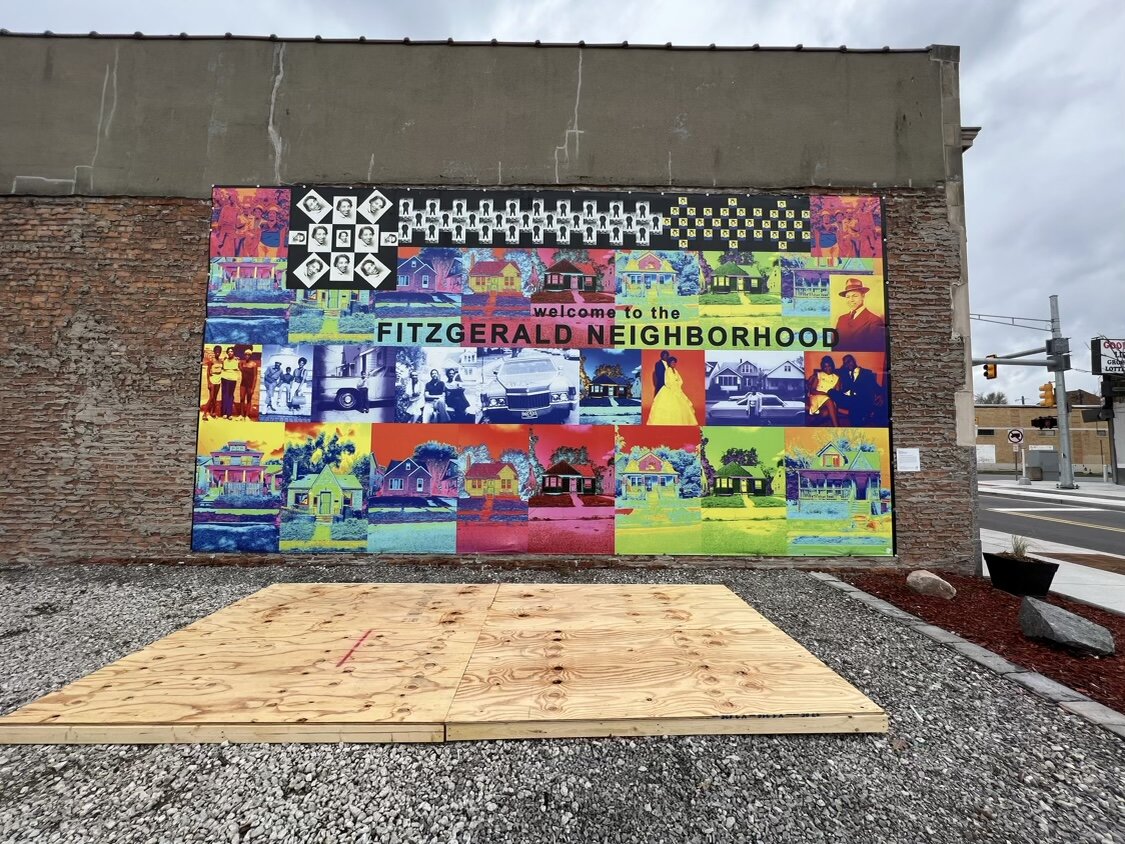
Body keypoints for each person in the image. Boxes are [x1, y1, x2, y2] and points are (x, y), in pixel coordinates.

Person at [834, 278, 886, 351]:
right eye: (848, 297)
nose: (851, 300)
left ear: (863, 296)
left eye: (855, 296)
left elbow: (875, 349)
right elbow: (835, 345)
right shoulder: (841, 319)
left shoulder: (874, 320)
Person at [829, 354, 881, 425]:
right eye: (845, 363)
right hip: (846, 399)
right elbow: (830, 370)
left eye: (849, 361)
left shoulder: (866, 373)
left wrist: (881, 394)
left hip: (860, 399)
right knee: (831, 392)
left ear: (854, 360)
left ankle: (853, 414)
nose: (848, 363)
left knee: (855, 406)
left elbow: (875, 385)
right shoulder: (844, 372)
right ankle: (864, 412)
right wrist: (817, 375)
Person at [647, 356, 696, 425]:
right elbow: (667, 381)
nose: (673, 364)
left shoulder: (676, 371)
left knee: (681, 406)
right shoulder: (668, 370)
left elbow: (680, 380)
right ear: (669, 363)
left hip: (677, 388)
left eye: (674, 362)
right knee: (669, 406)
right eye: (672, 362)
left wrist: (677, 385)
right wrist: (673, 387)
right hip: (669, 389)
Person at [807, 356, 840, 426]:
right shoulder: (819, 375)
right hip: (816, 397)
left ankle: (811, 425)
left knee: (825, 413)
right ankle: (837, 427)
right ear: (822, 367)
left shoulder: (836, 378)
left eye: (829, 366)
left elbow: (837, 393)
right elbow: (812, 390)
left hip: (828, 400)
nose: (827, 368)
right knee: (829, 400)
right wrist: (826, 394)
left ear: (832, 366)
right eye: (825, 367)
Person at [219, 346, 241, 419]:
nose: (230, 353)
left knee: (230, 395)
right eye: (228, 351)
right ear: (227, 353)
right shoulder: (224, 360)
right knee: (224, 395)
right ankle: (224, 413)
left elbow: (241, 368)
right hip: (224, 378)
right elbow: (221, 367)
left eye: (231, 351)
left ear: (233, 352)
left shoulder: (237, 360)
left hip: (232, 379)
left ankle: (229, 413)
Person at [237, 349, 259, 419]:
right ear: (244, 355)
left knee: (249, 399)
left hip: (250, 384)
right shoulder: (243, 363)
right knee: (242, 398)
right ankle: (241, 414)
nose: (247, 356)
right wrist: (238, 362)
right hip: (243, 384)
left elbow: (255, 377)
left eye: (248, 355)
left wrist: (253, 388)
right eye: (246, 354)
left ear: (250, 356)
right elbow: (240, 368)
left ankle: (247, 415)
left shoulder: (254, 364)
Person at [205, 345, 224, 418]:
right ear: (214, 352)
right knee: (211, 397)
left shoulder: (220, 361)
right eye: (216, 351)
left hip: (218, 379)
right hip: (212, 379)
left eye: (219, 352)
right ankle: (205, 414)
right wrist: (208, 383)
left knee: (215, 397)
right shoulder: (211, 361)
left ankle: (212, 412)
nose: (217, 353)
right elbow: (207, 372)